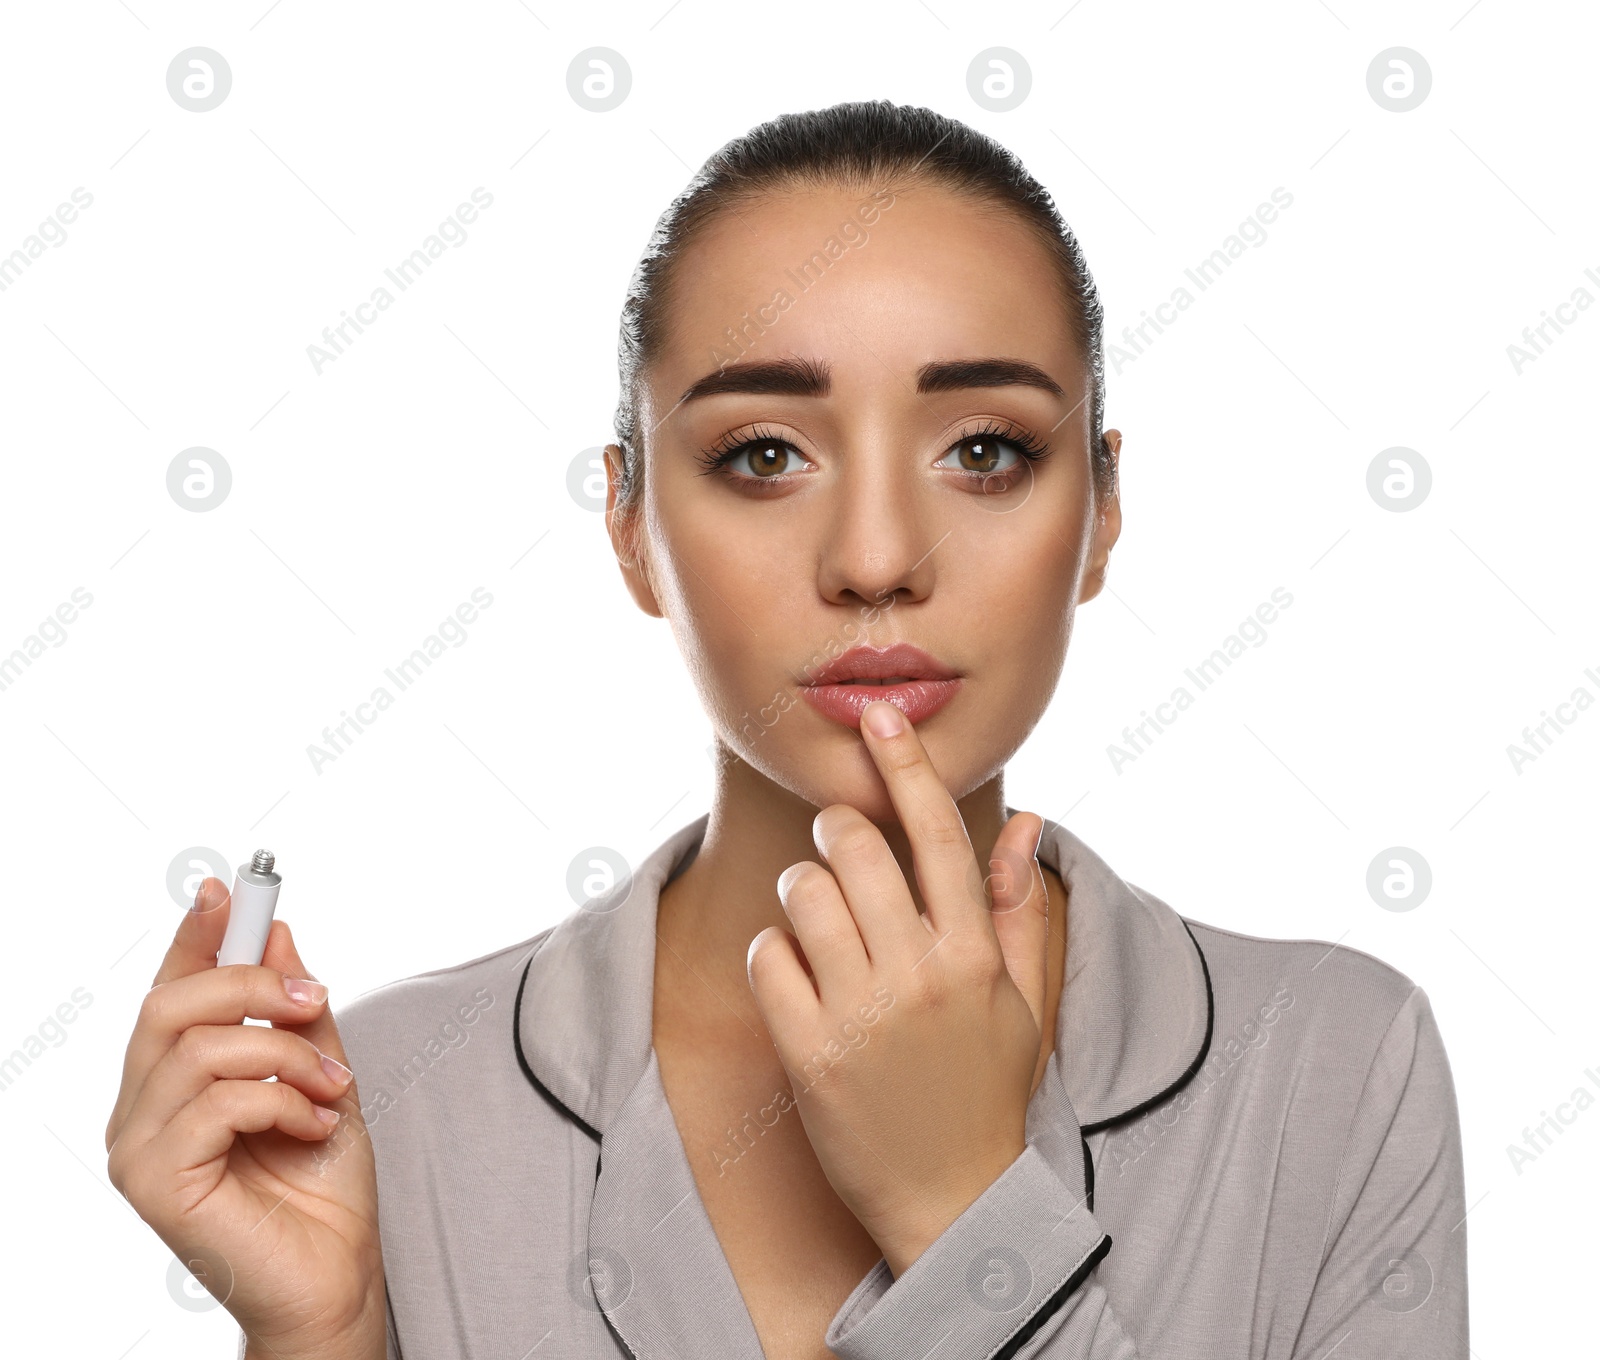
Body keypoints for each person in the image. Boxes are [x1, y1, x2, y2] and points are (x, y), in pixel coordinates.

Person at [106, 99, 1468, 1360]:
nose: (876, 557)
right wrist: (323, 1335)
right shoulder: (386, 1102)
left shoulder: (1336, 1070)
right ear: (631, 527)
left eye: (984, 448)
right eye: (764, 453)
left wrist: (970, 1218)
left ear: (1102, 510)